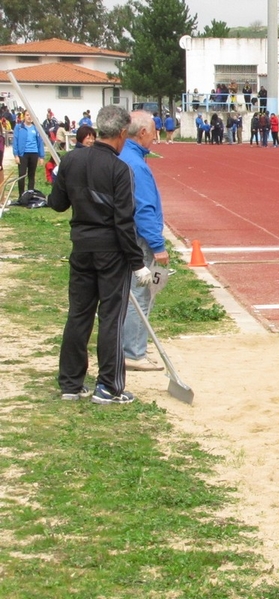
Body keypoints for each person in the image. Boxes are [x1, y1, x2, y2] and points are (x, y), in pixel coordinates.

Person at [47, 104, 149, 405]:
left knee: (78, 314)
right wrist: (137, 263)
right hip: (110, 253)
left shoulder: (72, 159)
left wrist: (66, 179)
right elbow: (123, 221)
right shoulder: (120, 170)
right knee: (110, 318)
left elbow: (57, 203)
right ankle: (108, 387)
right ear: (120, 133)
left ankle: (70, 383)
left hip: (81, 248)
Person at [119, 111, 169, 372]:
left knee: (130, 293)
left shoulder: (124, 156)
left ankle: (129, 347)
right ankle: (134, 353)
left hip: (124, 236)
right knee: (140, 293)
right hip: (140, 238)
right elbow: (143, 208)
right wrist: (158, 245)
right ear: (142, 133)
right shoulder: (136, 165)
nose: (155, 137)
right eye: (153, 132)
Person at [12, 109, 45, 198]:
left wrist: (41, 156)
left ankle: (30, 195)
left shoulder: (36, 128)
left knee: (31, 175)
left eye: (31, 115)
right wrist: (16, 155)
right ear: (24, 116)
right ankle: (21, 195)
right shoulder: (19, 127)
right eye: (27, 115)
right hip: (23, 154)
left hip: (34, 153)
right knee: (22, 174)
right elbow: (15, 141)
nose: (29, 117)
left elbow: (40, 142)